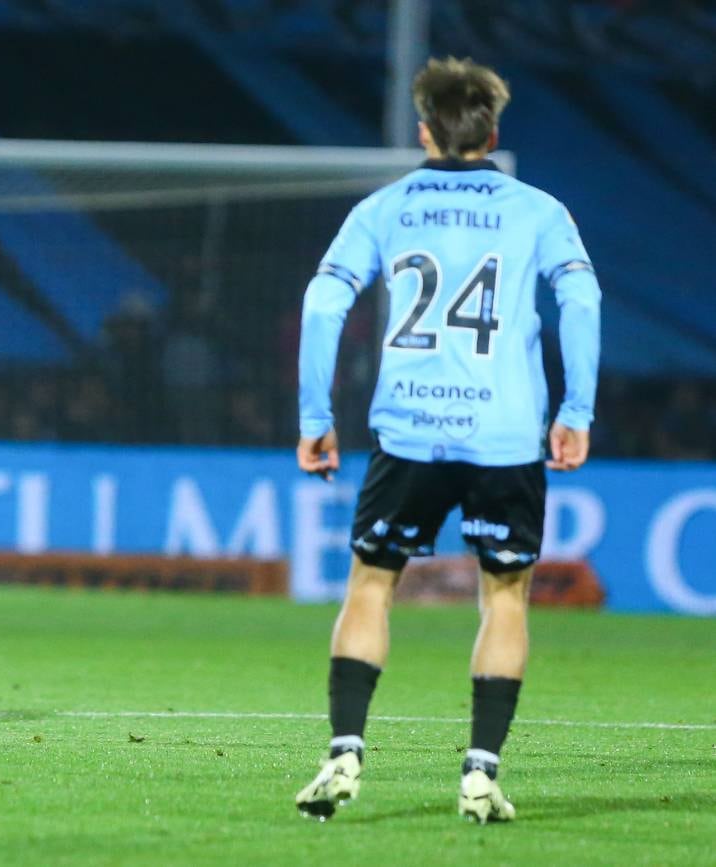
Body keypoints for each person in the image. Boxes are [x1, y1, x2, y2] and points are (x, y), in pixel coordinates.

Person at [292, 58, 600, 823]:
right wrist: (577, 408)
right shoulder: (538, 209)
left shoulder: (385, 207)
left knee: (371, 582)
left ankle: (344, 750)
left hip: (409, 431)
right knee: (504, 594)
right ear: (492, 131)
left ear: (425, 129)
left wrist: (313, 415)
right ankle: (480, 771)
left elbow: (323, 300)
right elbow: (582, 296)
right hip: (504, 435)